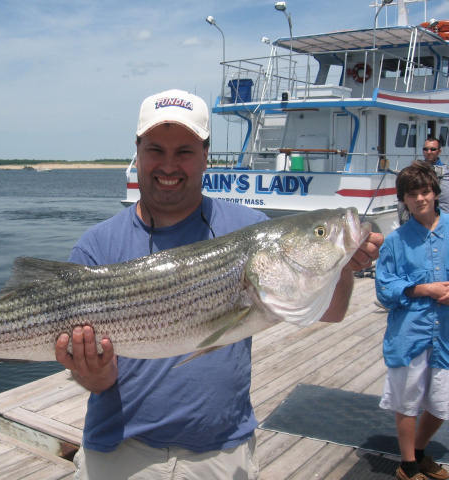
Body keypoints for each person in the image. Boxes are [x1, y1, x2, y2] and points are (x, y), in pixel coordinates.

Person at [55, 89, 383, 480]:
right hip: (119, 451)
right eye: (156, 150)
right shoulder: (97, 245)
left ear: (206, 154)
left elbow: (332, 311)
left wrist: (343, 263)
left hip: (222, 451)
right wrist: (91, 370)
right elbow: (99, 382)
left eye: (185, 152)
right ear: (138, 152)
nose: (169, 165)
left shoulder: (248, 227)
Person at [375, 160, 449, 480]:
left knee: (442, 402)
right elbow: (384, 288)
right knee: (407, 401)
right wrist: (424, 289)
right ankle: (407, 466)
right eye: (412, 194)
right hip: (410, 332)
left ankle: (419, 451)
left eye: (425, 191)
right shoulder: (395, 240)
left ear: (435, 193)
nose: (420, 199)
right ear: (403, 200)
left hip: (445, 332)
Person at [422, 137, 449, 213]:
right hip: (422, 219)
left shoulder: (447, 173)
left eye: (433, 149)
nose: (429, 152)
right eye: (425, 149)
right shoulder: (415, 172)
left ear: (439, 151)